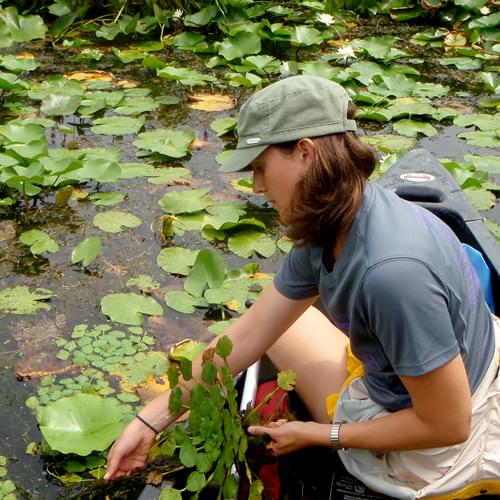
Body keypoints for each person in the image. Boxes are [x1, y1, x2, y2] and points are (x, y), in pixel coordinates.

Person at [105, 76, 500, 498]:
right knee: (285, 328)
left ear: (306, 153)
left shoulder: (392, 274)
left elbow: (447, 425)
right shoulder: (337, 218)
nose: (255, 187)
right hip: (434, 382)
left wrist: (321, 434)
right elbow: (250, 333)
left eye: (260, 168)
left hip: (444, 444)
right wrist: (150, 420)